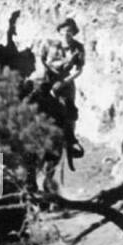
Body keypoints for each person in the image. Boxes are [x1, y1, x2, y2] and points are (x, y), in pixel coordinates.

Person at [37, 18, 86, 157]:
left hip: (66, 81)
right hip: (47, 76)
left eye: (69, 32)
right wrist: (45, 77)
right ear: (59, 31)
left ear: (73, 33)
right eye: (64, 31)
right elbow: (41, 60)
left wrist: (63, 82)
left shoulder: (78, 47)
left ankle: (70, 142)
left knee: (69, 110)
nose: (66, 34)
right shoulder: (48, 43)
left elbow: (78, 70)